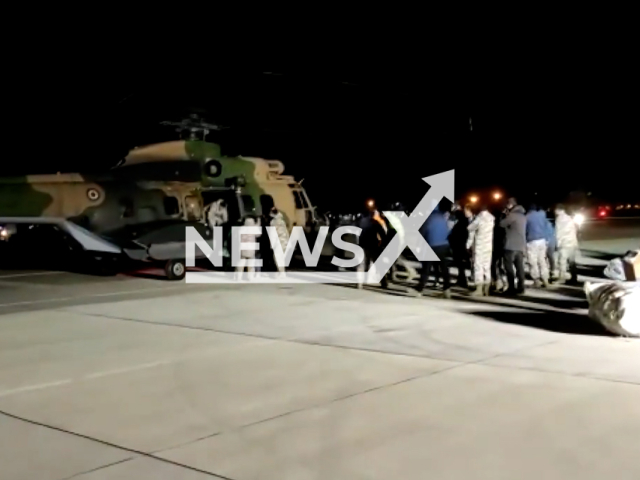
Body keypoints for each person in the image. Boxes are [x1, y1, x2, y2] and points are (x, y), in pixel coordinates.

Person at [416, 200, 452, 298]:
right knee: (444, 268)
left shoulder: (429, 218)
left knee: (426, 268)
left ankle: (419, 289)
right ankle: (447, 289)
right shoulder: (442, 217)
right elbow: (448, 230)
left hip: (432, 245)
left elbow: (422, 231)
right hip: (444, 245)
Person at [356, 200, 388, 289]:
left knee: (362, 264)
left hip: (364, 243)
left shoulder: (362, 219)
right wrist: (383, 241)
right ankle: (384, 282)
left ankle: (360, 282)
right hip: (372, 244)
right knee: (377, 264)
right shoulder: (374, 220)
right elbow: (381, 231)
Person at [466, 203, 495, 296]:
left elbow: (470, 228)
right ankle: (487, 288)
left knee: (478, 266)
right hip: (489, 246)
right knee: (487, 267)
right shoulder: (492, 218)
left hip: (480, 246)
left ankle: (479, 289)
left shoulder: (479, 219)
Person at [500, 197, 527, 295]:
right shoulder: (523, 216)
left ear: (510, 205)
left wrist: (504, 215)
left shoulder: (512, 215)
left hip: (510, 245)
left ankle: (511, 288)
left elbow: (501, 224)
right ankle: (521, 287)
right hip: (520, 245)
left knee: (509, 268)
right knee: (520, 268)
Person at [525, 203, 550, 288]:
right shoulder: (542, 214)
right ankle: (545, 279)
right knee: (542, 260)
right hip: (542, 240)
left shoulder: (527, 217)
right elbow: (546, 226)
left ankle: (536, 280)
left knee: (533, 261)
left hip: (532, 241)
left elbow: (525, 230)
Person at [555, 204, 579, 284]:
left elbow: (558, 232)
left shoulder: (559, 219)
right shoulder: (570, 218)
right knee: (572, 261)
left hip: (564, 243)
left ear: (559, 210)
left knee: (562, 261)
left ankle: (562, 277)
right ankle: (574, 277)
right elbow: (575, 230)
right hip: (572, 243)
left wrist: (558, 243)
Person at [448, 209, 469, 288]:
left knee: (460, 264)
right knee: (460, 264)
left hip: (459, 246)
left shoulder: (461, 224)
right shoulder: (463, 223)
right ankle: (461, 280)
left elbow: (457, 235)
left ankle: (462, 281)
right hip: (459, 245)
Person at [234, 216, 258, 281]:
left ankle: (238, 277)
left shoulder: (241, 229)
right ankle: (250, 277)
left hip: (243, 249)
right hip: (251, 249)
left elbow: (237, 238)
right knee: (251, 264)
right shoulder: (253, 229)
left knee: (241, 263)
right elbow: (258, 235)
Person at [491, 205, 508, 292]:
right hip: (502, 246)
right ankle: (503, 283)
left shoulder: (495, 225)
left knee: (495, 265)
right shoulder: (503, 224)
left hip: (496, 247)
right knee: (500, 266)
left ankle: (498, 282)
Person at [269, 206, 290, 278]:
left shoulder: (273, 222)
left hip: (278, 241)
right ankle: (281, 271)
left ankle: (281, 272)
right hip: (284, 241)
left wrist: (272, 244)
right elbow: (286, 232)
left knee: (277, 257)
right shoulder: (282, 221)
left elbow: (273, 233)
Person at [544, 212, 557, 280]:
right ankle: (552, 270)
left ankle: (547, 271)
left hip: (547, 242)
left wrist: (546, 241)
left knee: (544, 257)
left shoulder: (545, 223)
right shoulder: (551, 224)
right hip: (552, 242)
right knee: (550, 256)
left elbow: (546, 234)